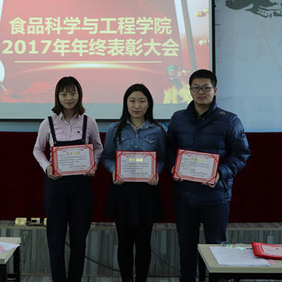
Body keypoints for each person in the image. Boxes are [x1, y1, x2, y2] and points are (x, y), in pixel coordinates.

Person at [167, 69, 250, 282]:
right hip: (184, 195)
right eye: (196, 88)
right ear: (190, 90)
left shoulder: (229, 120)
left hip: (216, 195)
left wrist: (220, 172)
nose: (201, 92)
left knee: (216, 246)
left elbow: (241, 154)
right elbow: (169, 150)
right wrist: (172, 166)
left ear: (215, 90)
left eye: (206, 87)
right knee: (186, 245)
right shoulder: (178, 119)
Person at [33, 76, 103, 282]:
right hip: (56, 185)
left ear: (79, 95)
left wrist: (93, 164)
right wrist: (47, 167)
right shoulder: (48, 122)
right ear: (58, 97)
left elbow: (98, 147)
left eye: (73, 93)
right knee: (55, 240)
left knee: (79, 241)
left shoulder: (89, 122)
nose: (69, 98)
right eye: (64, 94)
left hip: (82, 186)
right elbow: (37, 149)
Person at [102, 84, 166, 282]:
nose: (137, 105)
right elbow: (106, 157)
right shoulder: (114, 129)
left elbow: (163, 158)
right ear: (126, 103)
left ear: (149, 104)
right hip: (122, 191)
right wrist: (114, 170)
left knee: (144, 243)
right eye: (132, 101)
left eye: (141, 101)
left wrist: (156, 171)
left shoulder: (158, 130)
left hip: (147, 192)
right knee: (124, 242)